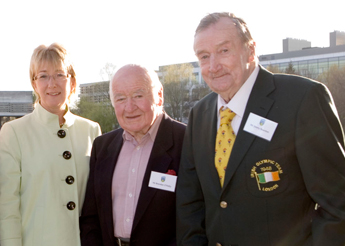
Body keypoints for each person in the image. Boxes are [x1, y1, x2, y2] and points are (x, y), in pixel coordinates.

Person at [176, 12, 345, 246]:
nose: (213, 66)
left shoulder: (301, 99)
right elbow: (190, 203)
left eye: (224, 51)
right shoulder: (199, 115)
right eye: (204, 56)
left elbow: (337, 204)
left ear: (251, 50)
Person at [0, 43, 101, 246]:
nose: (52, 83)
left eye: (59, 75)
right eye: (43, 76)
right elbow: (7, 205)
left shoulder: (92, 131)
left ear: (72, 82)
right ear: (34, 83)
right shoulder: (13, 133)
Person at [79, 64, 186, 246]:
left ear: (159, 96)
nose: (129, 107)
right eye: (120, 99)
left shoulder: (187, 142)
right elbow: (91, 216)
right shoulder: (102, 147)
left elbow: (198, 216)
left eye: (138, 96)